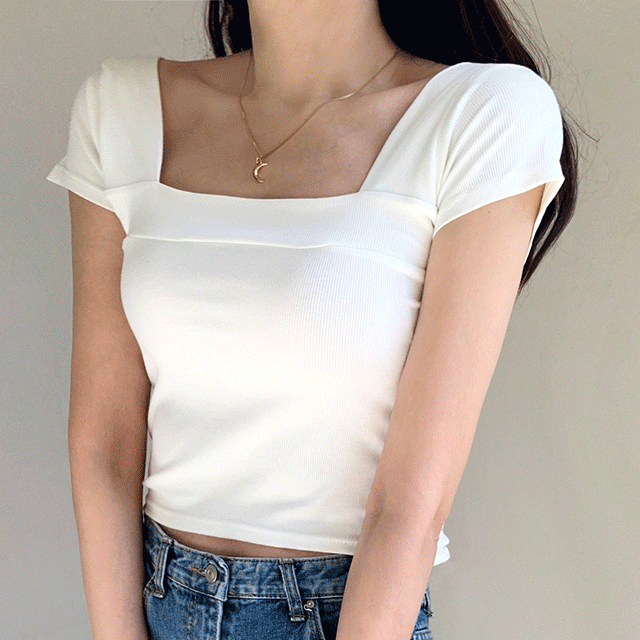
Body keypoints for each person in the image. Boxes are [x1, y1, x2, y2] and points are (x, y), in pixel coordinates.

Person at [46, 1, 579, 639]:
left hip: (340, 615)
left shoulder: (481, 112)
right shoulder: (120, 108)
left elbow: (410, 507)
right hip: (161, 601)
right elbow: (104, 443)